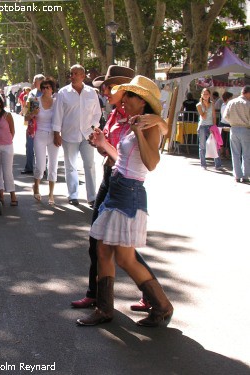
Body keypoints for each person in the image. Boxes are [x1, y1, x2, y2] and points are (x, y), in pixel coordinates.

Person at [77, 75, 174, 328]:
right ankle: (104, 309)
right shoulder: (134, 121)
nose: (126, 99)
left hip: (130, 192)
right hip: (117, 188)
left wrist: (140, 132)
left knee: (125, 258)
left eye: (131, 95)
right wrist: (102, 143)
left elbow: (151, 163)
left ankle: (162, 306)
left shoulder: (149, 126)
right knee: (103, 249)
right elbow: (122, 159)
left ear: (142, 103)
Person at [52, 64, 101, 207]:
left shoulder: (92, 92)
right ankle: (73, 195)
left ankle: (92, 197)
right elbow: (58, 115)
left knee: (90, 165)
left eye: (75, 73)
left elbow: (97, 113)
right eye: (71, 73)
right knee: (71, 166)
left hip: (87, 136)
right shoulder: (63, 93)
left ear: (82, 76)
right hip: (69, 135)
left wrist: (92, 129)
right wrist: (56, 133)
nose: (72, 76)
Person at [28, 77, 58, 205]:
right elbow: (26, 117)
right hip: (39, 134)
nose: (45, 89)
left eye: (48, 87)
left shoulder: (57, 102)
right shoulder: (35, 101)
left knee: (53, 165)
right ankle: (36, 186)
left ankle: (51, 193)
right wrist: (33, 113)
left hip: (53, 135)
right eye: (43, 87)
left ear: (52, 89)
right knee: (40, 166)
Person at [223, 85, 250, 183]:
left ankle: (237, 175)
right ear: (247, 93)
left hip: (233, 129)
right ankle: (246, 175)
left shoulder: (231, 102)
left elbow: (225, 116)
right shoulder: (248, 103)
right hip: (246, 129)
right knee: (246, 154)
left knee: (235, 153)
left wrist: (232, 121)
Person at [22, 74, 45, 175]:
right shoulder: (31, 93)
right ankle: (29, 167)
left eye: (36, 81)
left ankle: (43, 168)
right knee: (29, 146)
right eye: (35, 82)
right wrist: (26, 121)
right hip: (32, 123)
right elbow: (26, 109)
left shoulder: (48, 93)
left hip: (44, 124)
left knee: (43, 148)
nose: (34, 83)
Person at [196, 88, 222, 170]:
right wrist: (206, 108)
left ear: (209, 95)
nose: (205, 96)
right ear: (201, 95)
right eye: (204, 94)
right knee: (202, 146)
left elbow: (214, 116)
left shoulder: (212, 104)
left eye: (207, 94)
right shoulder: (198, 105)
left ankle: (218, 164)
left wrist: (214, 126)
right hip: (202, 126)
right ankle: (203, 164)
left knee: (214, 144)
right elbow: (203, 116)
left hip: (211, 126)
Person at [218, 91, 234, 159]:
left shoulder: (223, 105)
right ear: (228, 98)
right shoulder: (229, 105)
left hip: (221, 123)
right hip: (228, 124)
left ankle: (222, 154)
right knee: (227, 140)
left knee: (222, 140)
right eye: (231, 98)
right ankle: (227, 154)